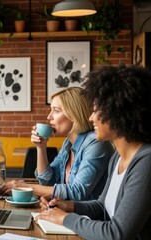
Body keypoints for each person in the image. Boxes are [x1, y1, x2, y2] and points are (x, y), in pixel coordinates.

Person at [35, 65, 151, 239]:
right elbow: (102, 206)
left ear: (117, 112)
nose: (91, 117)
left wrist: (66, 218)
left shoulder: (146, 162)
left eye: (96, 110)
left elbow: (117, 234)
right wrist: (69, 206)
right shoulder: (118, 158)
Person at [0, 87, 114, 200]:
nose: (49, 117)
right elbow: (47, 181)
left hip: (87, 216)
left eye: (56, 110)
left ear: (74, 114)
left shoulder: (96, 143)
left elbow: (77, 191)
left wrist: (27, 187)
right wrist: (41, 147)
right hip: (66, 212)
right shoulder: (68, 144)